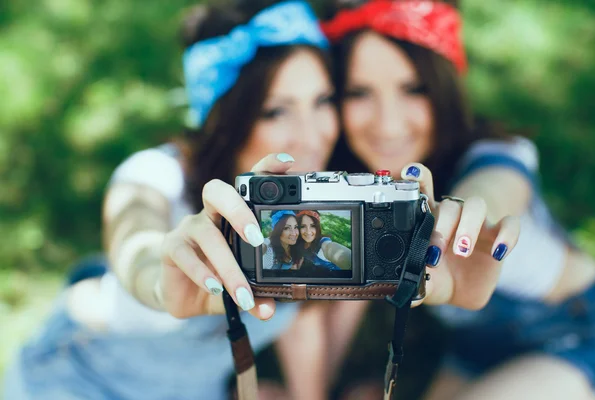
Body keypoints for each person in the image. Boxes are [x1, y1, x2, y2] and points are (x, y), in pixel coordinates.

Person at [2, 1, 342, 399]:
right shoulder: (154, 176)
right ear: (227, 117)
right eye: (275, 112)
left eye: (322, 101)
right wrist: (167, 282)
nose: (312, 134)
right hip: (76, 381)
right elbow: (138, 250)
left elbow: (299, 323)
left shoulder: (324, 205)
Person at [320, 0, 595, 399]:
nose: (387, 122)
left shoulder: (498, 154)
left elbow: (495, 192)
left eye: (413, 89)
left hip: (579, 328)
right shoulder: (363, 184)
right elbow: (347, 296)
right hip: (473, 349)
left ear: (444, 87)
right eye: (359, 92)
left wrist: (462, 214)